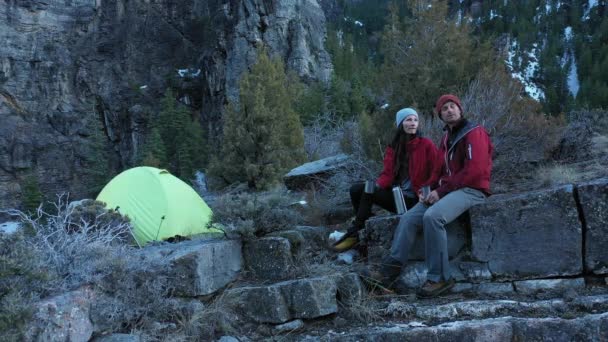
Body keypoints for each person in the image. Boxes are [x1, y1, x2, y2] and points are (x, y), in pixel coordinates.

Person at [372, 94, 494, 298]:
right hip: (451, 190)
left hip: (473, 190)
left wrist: (441, 191)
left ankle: (440, 278)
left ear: (460, 109)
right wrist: (426, 190)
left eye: (452, 106)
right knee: (409, 218)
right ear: (440, 116)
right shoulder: (447, 138)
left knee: (432, 217)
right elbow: (438, 171)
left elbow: (475, 170)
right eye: (444, 109)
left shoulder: (474, 132)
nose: (449, 110)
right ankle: (389, 272)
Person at [332, 108, 438, 252]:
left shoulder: (426, 145)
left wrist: (426, 191)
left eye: (415, 120)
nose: (413, 123)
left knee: (370, 192)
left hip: (415, 199)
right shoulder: (394, 147)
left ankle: (355, 232)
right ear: (400, 123)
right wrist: (377, 186)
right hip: (397, 197)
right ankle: (362, 227)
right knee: (357, 189)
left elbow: (437, 171)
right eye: (408, 120)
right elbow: (387, 174)